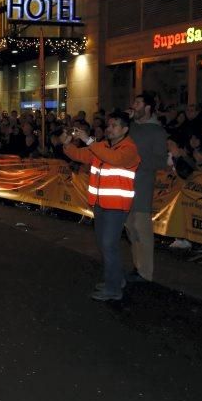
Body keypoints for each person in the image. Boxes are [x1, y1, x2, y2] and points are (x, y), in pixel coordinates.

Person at [61, 111, 141, 301]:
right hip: (100, 203)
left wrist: (88, 140)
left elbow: (114, 159)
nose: (109, 129)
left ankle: (113, 289)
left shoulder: (129, 148)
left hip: (117, 205)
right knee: (105, 245)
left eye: (114, 126)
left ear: (125, 129)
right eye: (109, 125)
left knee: (108, 245)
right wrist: (67, 143)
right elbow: (80, 155)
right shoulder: (101, 146)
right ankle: (116, 279)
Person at [125, 93, 168, 283]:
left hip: (142, 185)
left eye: (138, 102)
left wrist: (136, 161)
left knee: (142, 229)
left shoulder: (157, 131)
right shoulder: (131, 127)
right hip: (126, 184)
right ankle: (138, 266)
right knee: (130, 228)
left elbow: (160, 160)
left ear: (148, 107)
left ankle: (146, 272)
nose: (133, 105)